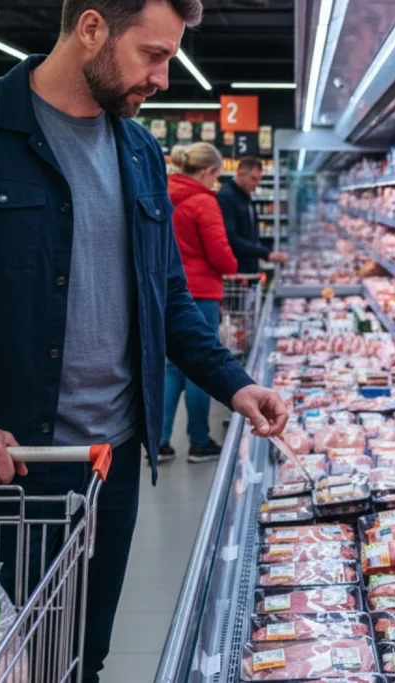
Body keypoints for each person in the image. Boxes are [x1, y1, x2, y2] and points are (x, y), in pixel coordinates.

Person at [0, 1, 288, 681]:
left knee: (86, 655)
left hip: (110, 465)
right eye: (153, 54)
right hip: (5, 467)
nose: (165, 78)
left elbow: (165, 297)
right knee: (6, 660)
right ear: (90, 29)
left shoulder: (139, 152)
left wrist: (234, 380)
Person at [160, 142, 237, 463]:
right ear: (207, 171)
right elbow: (218, 251)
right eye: (216, 176)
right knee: (200, 367)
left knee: (170, 368)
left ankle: (159, 441)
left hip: (167, 290)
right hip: (201, 292)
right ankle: (200, 441)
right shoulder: (204, 202)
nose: (215, 182)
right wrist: (232, 266)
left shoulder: (163, 192)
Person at [218, 155, 287, 273]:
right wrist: (265, 253)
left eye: (259, 179)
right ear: (240, 173)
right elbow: (230, 237)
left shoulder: (244, 195)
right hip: (236, 271)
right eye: (253, 179)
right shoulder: (226, 197)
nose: (257, 184)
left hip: (248, 269)